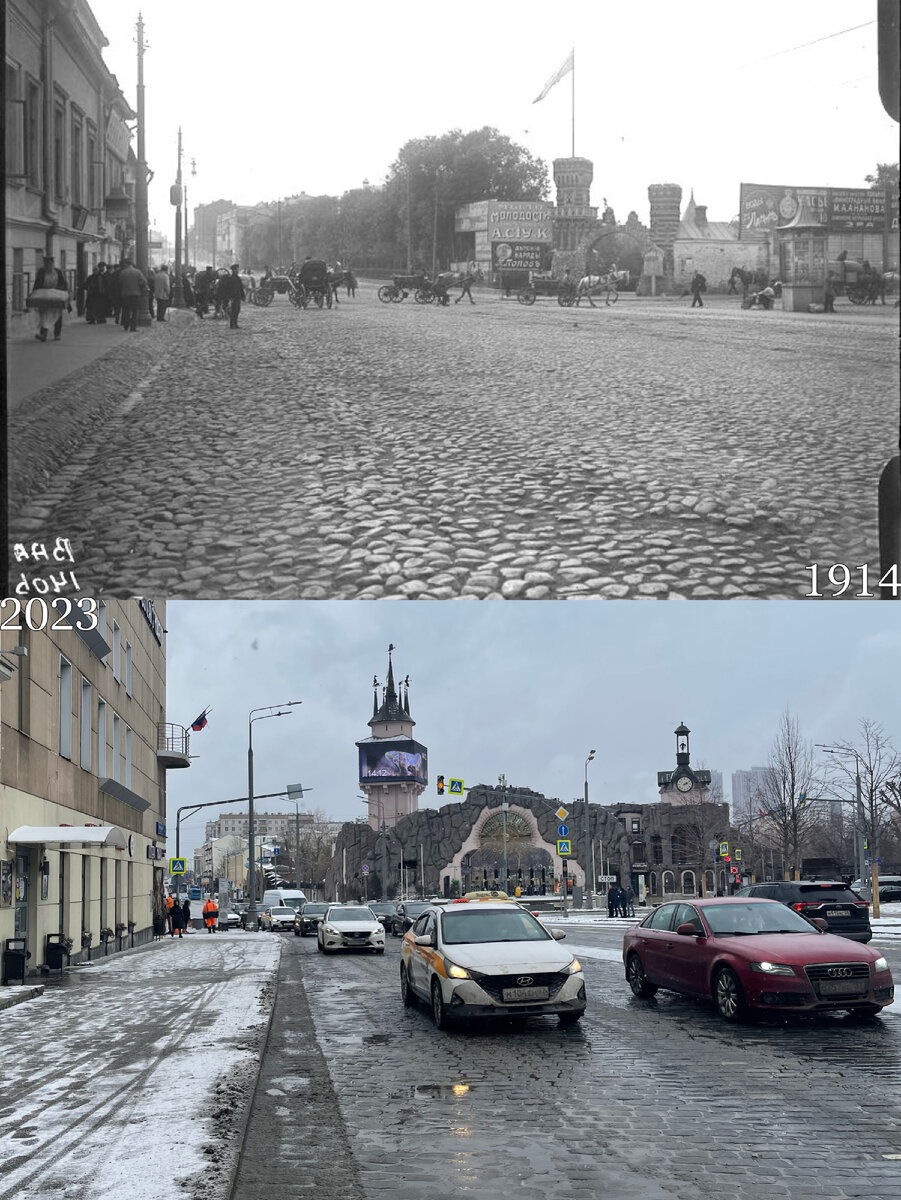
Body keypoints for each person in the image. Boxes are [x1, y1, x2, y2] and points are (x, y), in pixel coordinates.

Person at [30, 254, 71, 341]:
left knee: (57, 315)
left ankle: (57, 334)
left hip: (55, 296)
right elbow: (37, 283)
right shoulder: (41, 272)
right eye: (46, 264)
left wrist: (59, 291)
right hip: (44, 295)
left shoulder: (58, 272)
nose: (48, 266)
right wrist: (34, 294)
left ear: (52, 264)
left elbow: (64, 284)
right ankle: (43, 334)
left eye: (50, 264)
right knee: (44, 315)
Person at [117, 257, 149, 331]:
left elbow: (120, 283)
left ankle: (126, 325)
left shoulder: (123, 272)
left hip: (125, 294)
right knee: (135, 311)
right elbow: (144, 282)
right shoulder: (137, 272)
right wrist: (139, 286)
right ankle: (133, 327)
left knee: (126, 310)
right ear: (132, 264)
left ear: (126, 264)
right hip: (135, 293)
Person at [217, 263, 245, 328]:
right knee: (233, 311)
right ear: (233, 270)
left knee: (237, 310)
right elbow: (229, 289)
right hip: (233, 297)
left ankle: (235, 323)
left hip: (237, 297)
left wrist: (242, 296)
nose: (237, 271)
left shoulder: (237, 278)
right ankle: (232, 324)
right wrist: (230, 297)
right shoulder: (231, 279)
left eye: (237, 270)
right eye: (236, 270)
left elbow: (240, 288)